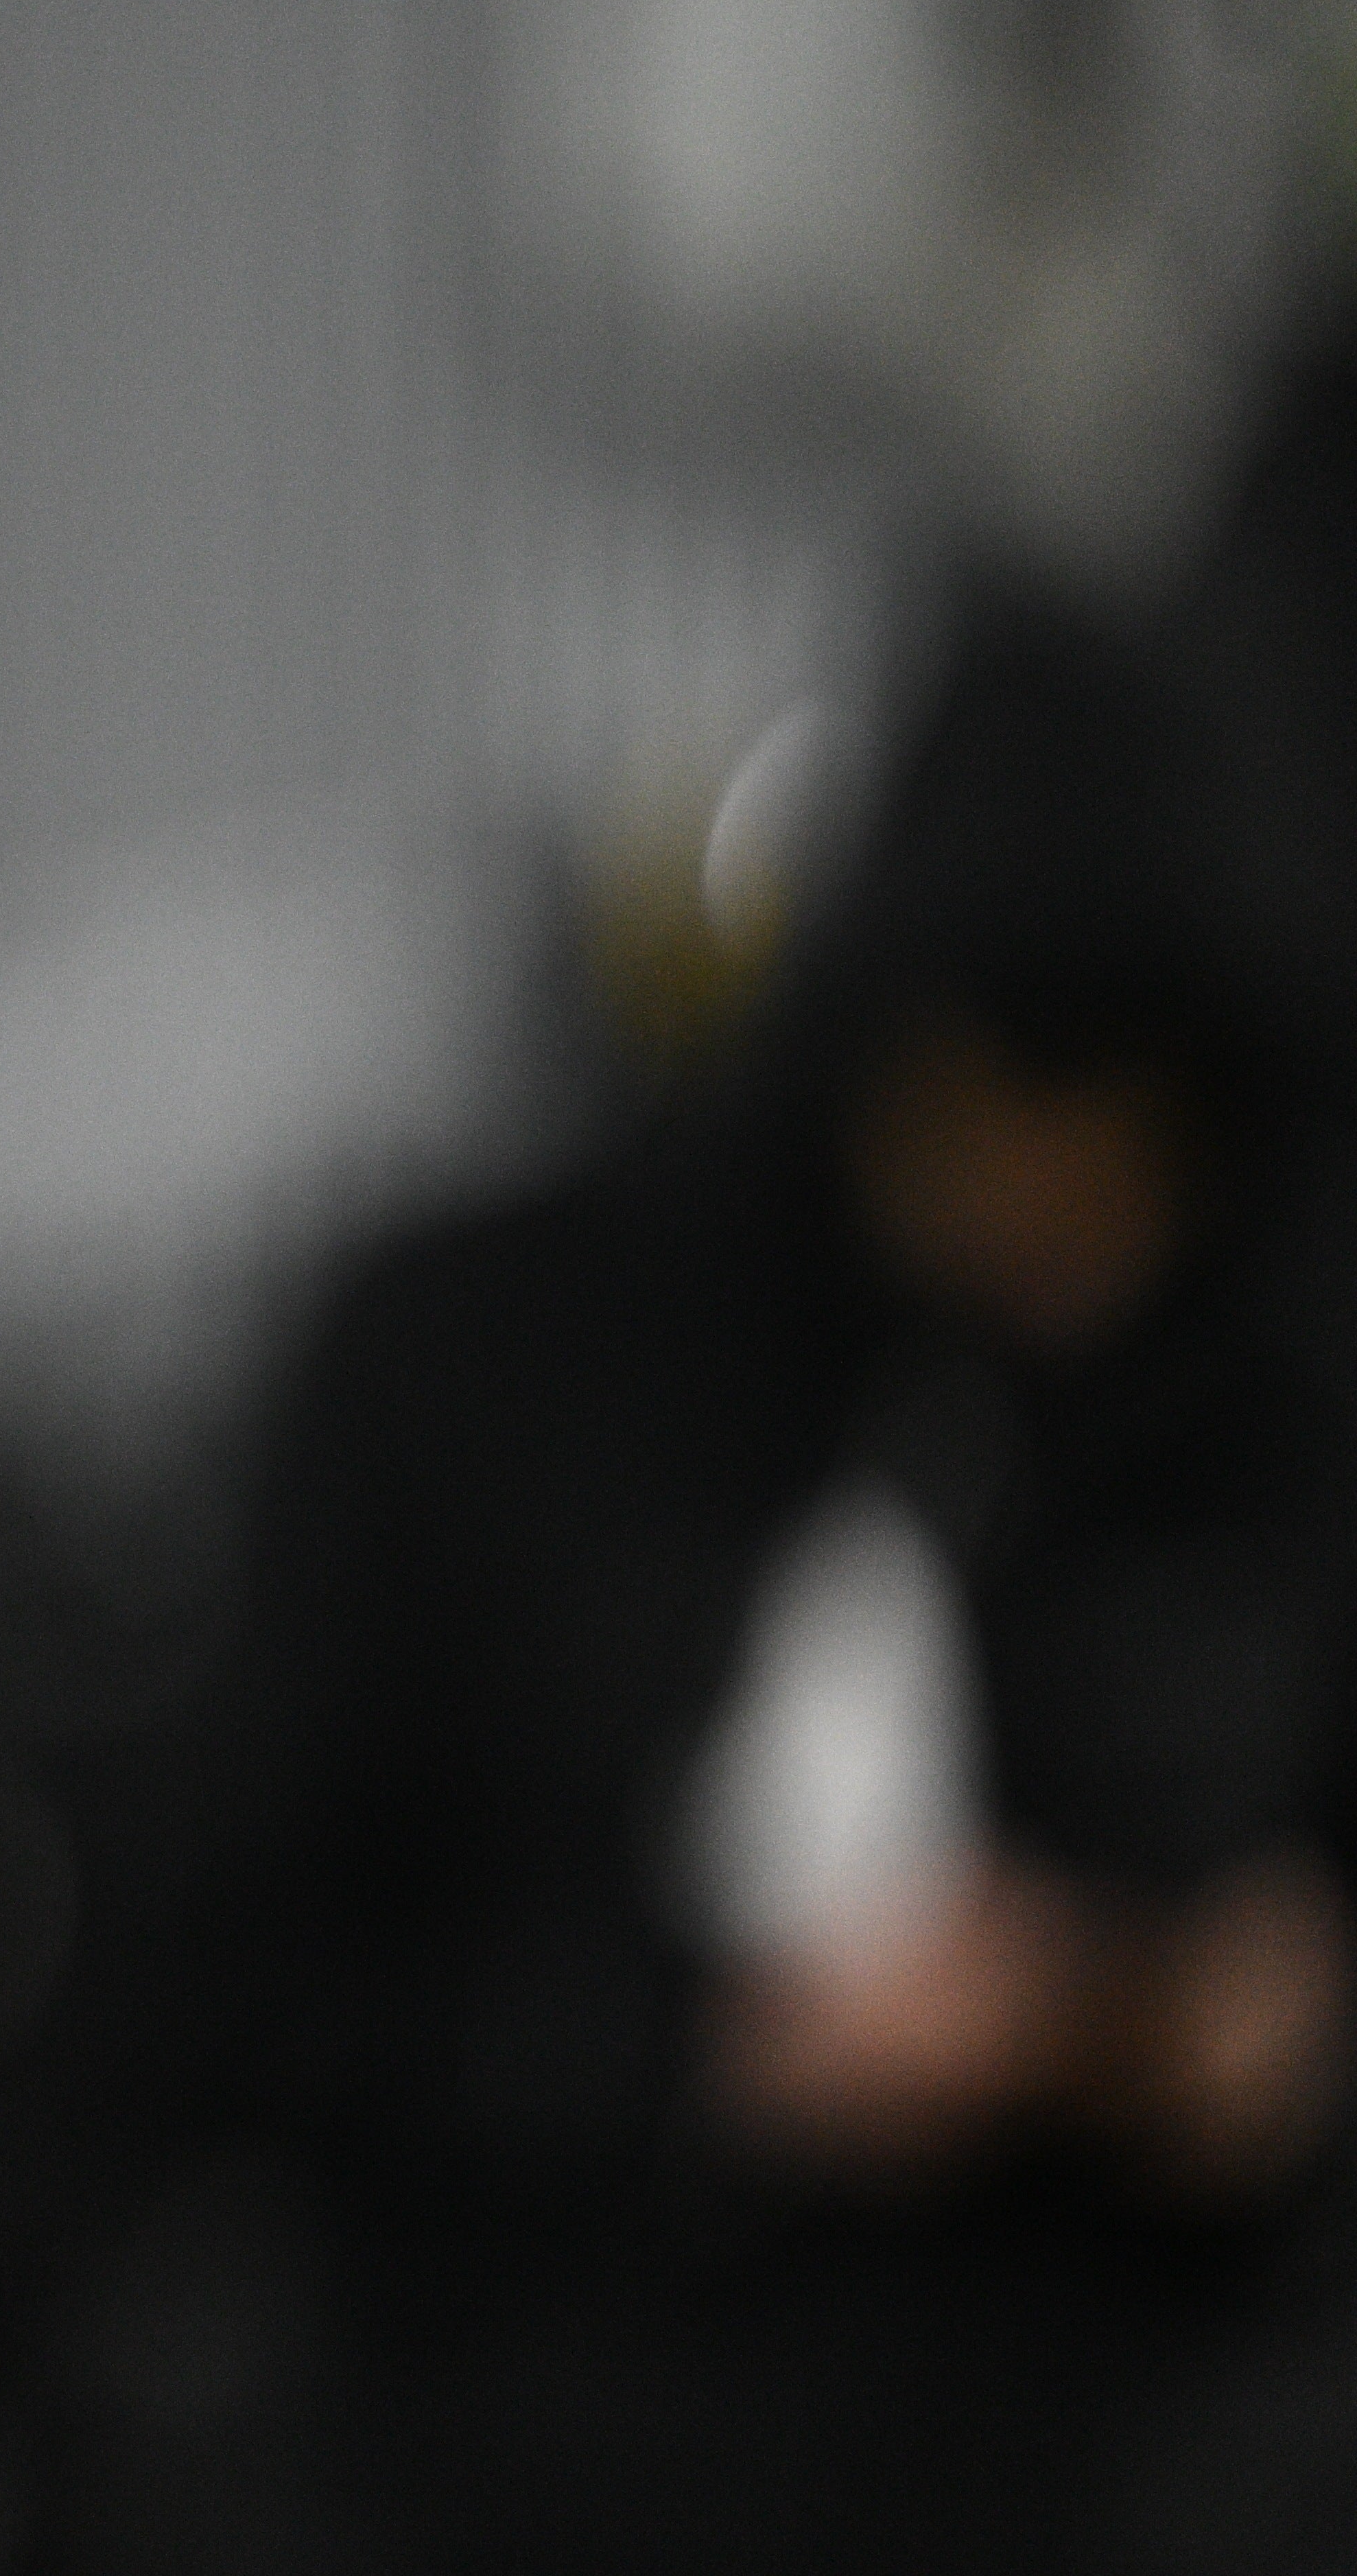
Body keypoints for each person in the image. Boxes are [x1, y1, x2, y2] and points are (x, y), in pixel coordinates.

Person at [187, 585, 1357, 2571]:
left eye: (1126, 1154)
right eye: (1003, 1108)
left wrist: (1232, 2028)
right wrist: (705, 2051)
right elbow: (247, 1974)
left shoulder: (1243, 1435)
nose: (1053, 1211)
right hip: (521, 2464)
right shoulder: (490, 1371)